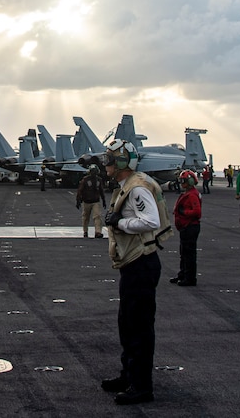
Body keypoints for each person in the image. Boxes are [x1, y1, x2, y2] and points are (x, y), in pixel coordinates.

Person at [100, 139, 162, 406]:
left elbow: (151, 221)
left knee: (138, 326)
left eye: (110, 160)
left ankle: (141, 386)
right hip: (133, 262)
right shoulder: (129, 185)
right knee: (127, 322)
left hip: (141, 263)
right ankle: (129, 375)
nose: (107, 165)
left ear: (122, 163)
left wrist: (120, 222)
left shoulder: (136, 189)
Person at [170, 170, 201, 287]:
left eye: (183, 181)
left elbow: (197, 212)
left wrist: (184, 212)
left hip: (190, 227)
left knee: (189, 254)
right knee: (184, 253)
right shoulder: (189, 193)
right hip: (185, 227)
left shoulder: (192, 195)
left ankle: (190, 278)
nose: (182, 183)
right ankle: (183, 274)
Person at [76, 164, 107, 239]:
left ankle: (98, 232)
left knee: (97, 216)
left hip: (95, 201)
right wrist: (78, 200)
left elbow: (101, 190)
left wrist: (103, 200)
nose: (94, 173)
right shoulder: (85, 180)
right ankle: (85, 231)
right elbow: (80, 190)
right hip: (86, 201)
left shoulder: (98, 180)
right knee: (86, 217)